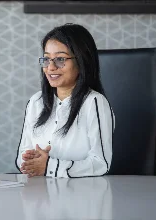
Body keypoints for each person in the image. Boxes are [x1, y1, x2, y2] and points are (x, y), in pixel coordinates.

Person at [15, 23, 114, 178]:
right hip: (39, 194)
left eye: (60, 59)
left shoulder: (94, 102)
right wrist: (30, 160)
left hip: (82, 196)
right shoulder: (36, 102)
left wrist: (49, 166)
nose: (51, 67)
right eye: (46, 59)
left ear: (81, 62)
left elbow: (101, 163)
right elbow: (22, 155)